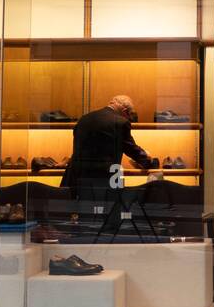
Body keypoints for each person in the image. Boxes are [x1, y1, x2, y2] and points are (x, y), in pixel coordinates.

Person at [63, 94, 150, 231]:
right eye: (129, 115)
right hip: (108, 174)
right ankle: (110, 235)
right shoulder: (120, 122)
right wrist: (147, 161)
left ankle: (85, 235)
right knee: (112, 212)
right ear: (125, 111)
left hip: (81, 173)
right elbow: (129, 147)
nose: (128, 118)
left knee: (87, 211)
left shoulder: (84, 119)